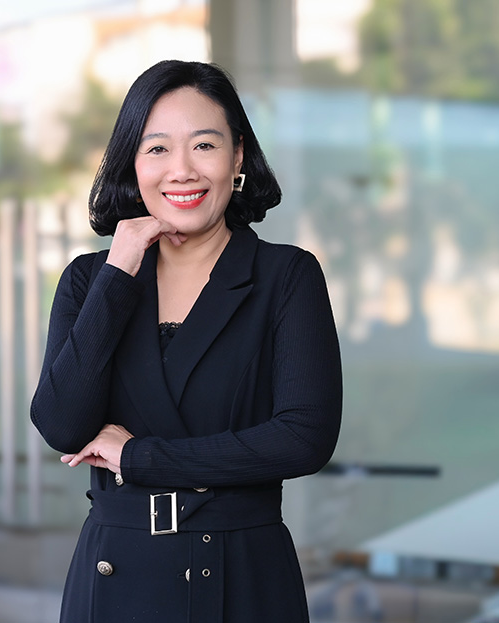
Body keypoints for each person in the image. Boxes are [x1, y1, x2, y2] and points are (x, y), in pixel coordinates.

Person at [30, 60, 343, 623]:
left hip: (241, 574)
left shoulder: (286, 276)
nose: (182, 170)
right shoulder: (90, 280)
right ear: (132, 163)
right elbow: (61, 425)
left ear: (238, 156)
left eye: (204, 145)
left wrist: (139, 457)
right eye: (157, 149)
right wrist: (119, 269)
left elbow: (304, 439)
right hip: (116, 578)